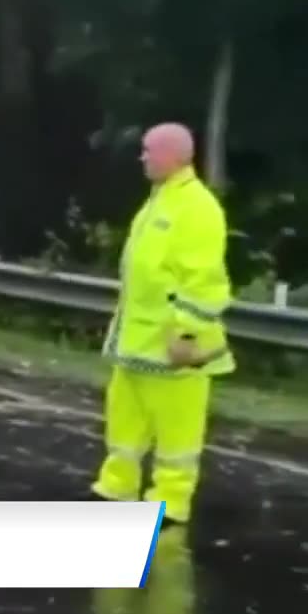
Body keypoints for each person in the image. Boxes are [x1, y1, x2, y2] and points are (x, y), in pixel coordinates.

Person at [90, 122, 235, 528]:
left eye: (148, 150)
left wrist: (187, 331)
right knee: (125, 419)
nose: (142, 157)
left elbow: (204, 279)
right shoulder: (159, 202)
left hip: (174, 347)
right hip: (137, 342)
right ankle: (117, 485)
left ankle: (170, 501)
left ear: (173, 155)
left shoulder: (197, 207)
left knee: (177, 428)